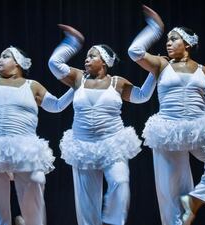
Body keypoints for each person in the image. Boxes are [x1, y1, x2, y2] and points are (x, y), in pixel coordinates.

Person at [127, 5, 205, 225]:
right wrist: (155, 29)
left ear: (188, 44)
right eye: (167, 39)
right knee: (170, 191)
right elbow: (134, 51)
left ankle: (193, 201)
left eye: (174, 39)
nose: (168, 43)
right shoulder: (162, 65)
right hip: (169, 129)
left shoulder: (204, 70)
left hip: (198, 128)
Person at [0, 25, 74, 225]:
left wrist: (75, 88)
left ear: (18, 63)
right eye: (0, 56)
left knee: (34, 188)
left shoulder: (32, 85)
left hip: (23, 147)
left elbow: (57, 106)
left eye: (5, 56)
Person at [47, 24, 157, 225]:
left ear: (104, 62)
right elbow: (54, 63)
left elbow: (142, 96)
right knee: (87, 203)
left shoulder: (117, 82)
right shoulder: (78, 78)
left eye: (92, 56)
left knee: (120, 182)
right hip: (83, 145)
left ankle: (114, 221)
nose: (86, 59)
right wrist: (72, 43)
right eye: (86, 55)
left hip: (112, 143)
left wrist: (154, 72)